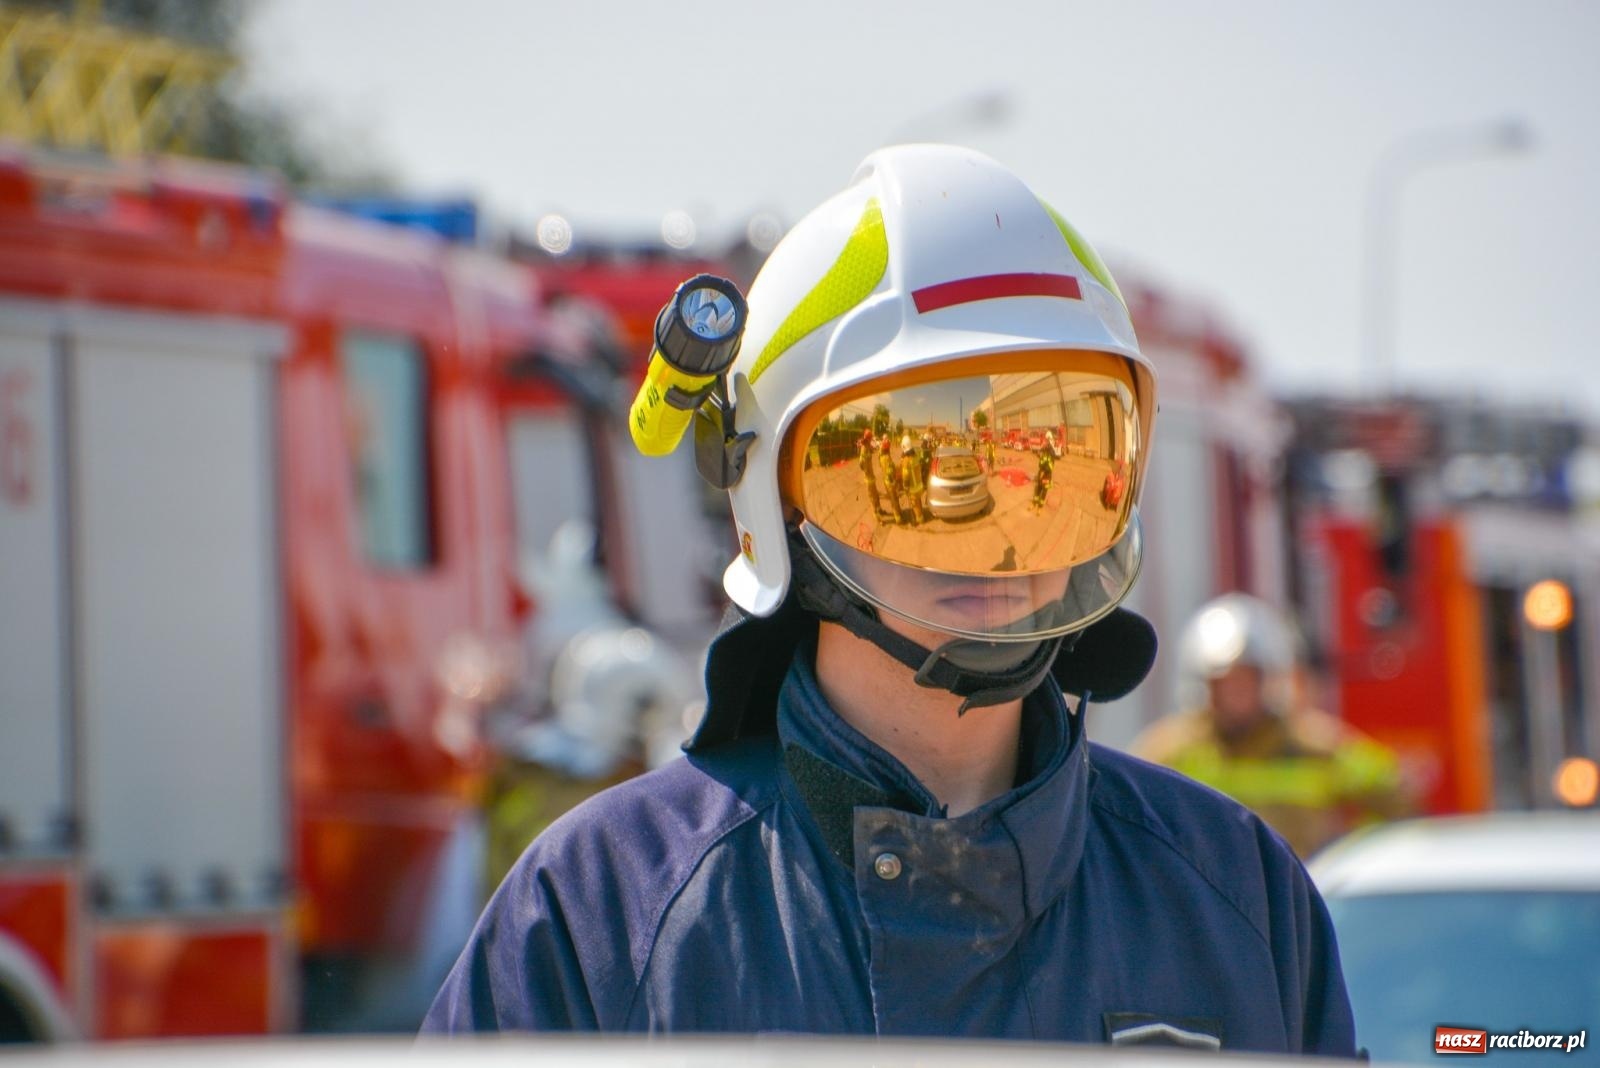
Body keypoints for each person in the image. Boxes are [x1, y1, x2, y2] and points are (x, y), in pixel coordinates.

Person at [422, 145, 1356, 1054]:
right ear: (771, 491)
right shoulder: (600, 908)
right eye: (906, 469)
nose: (994, 534)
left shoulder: (1240, 894)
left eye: (1049, 471)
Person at [1132, 592, 1408, 859]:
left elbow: (1397, 800)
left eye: (1246, 681)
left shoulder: (1316, 747)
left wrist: (1347, 858)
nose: (1236, 694)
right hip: (1203, 902)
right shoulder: (1168, 753)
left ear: (1268, 681)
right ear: (1204, 686)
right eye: (1225, 683)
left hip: (1293, 899)